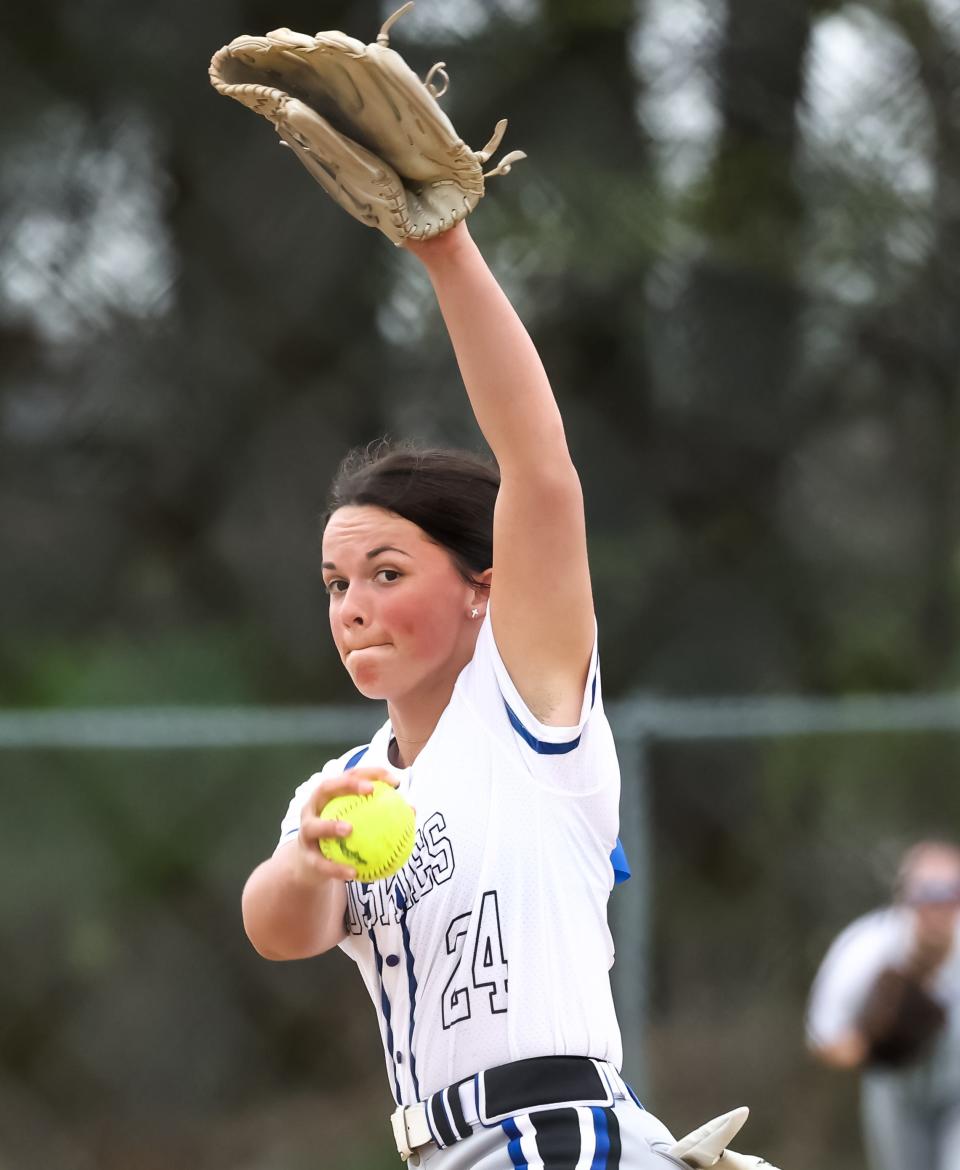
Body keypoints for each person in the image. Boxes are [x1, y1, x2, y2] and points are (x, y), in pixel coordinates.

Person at [239, 219, 698, 1169]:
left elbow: (541, 473)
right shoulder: (349, 788)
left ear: (483, 588)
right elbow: (279, 931)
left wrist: (444, 248)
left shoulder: (525, 711)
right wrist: (307, 863)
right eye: (336, 585)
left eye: (387, 573)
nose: (353, 607)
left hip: (555, 1137)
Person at [806, 840, 960, 1170]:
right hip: (896, 1091)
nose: (938, 907)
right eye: (927, 894)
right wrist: (874, 1042)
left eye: (951, 892)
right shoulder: (868, 948)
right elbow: (824, 1036)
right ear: (904, 897)